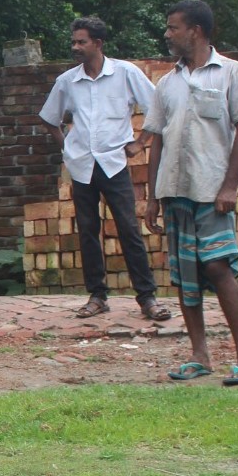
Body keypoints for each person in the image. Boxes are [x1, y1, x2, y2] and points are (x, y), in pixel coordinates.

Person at [143, 0, 238, 386]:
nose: (167, 34)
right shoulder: (167, 83)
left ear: (195, 30)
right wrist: (152, 197)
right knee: (185, 273)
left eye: (173, 27)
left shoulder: (231, 73)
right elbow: (156, 139)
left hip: (212, 190)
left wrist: (230, 184)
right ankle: (199, 355)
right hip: (175, 190)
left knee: (217, 266)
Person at [39, 16, 170, 321]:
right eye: (73, 42)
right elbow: (49, 117)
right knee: (87, 231)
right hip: (82, 165)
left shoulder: (124, 72)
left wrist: (140, 143)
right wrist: (66, 146)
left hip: (113, 163)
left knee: (128, 229)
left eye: (81, 42)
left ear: (97, 44)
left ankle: (147, 297)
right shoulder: (67, 81)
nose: (75, 47)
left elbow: (157, 108)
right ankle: (97, 296)